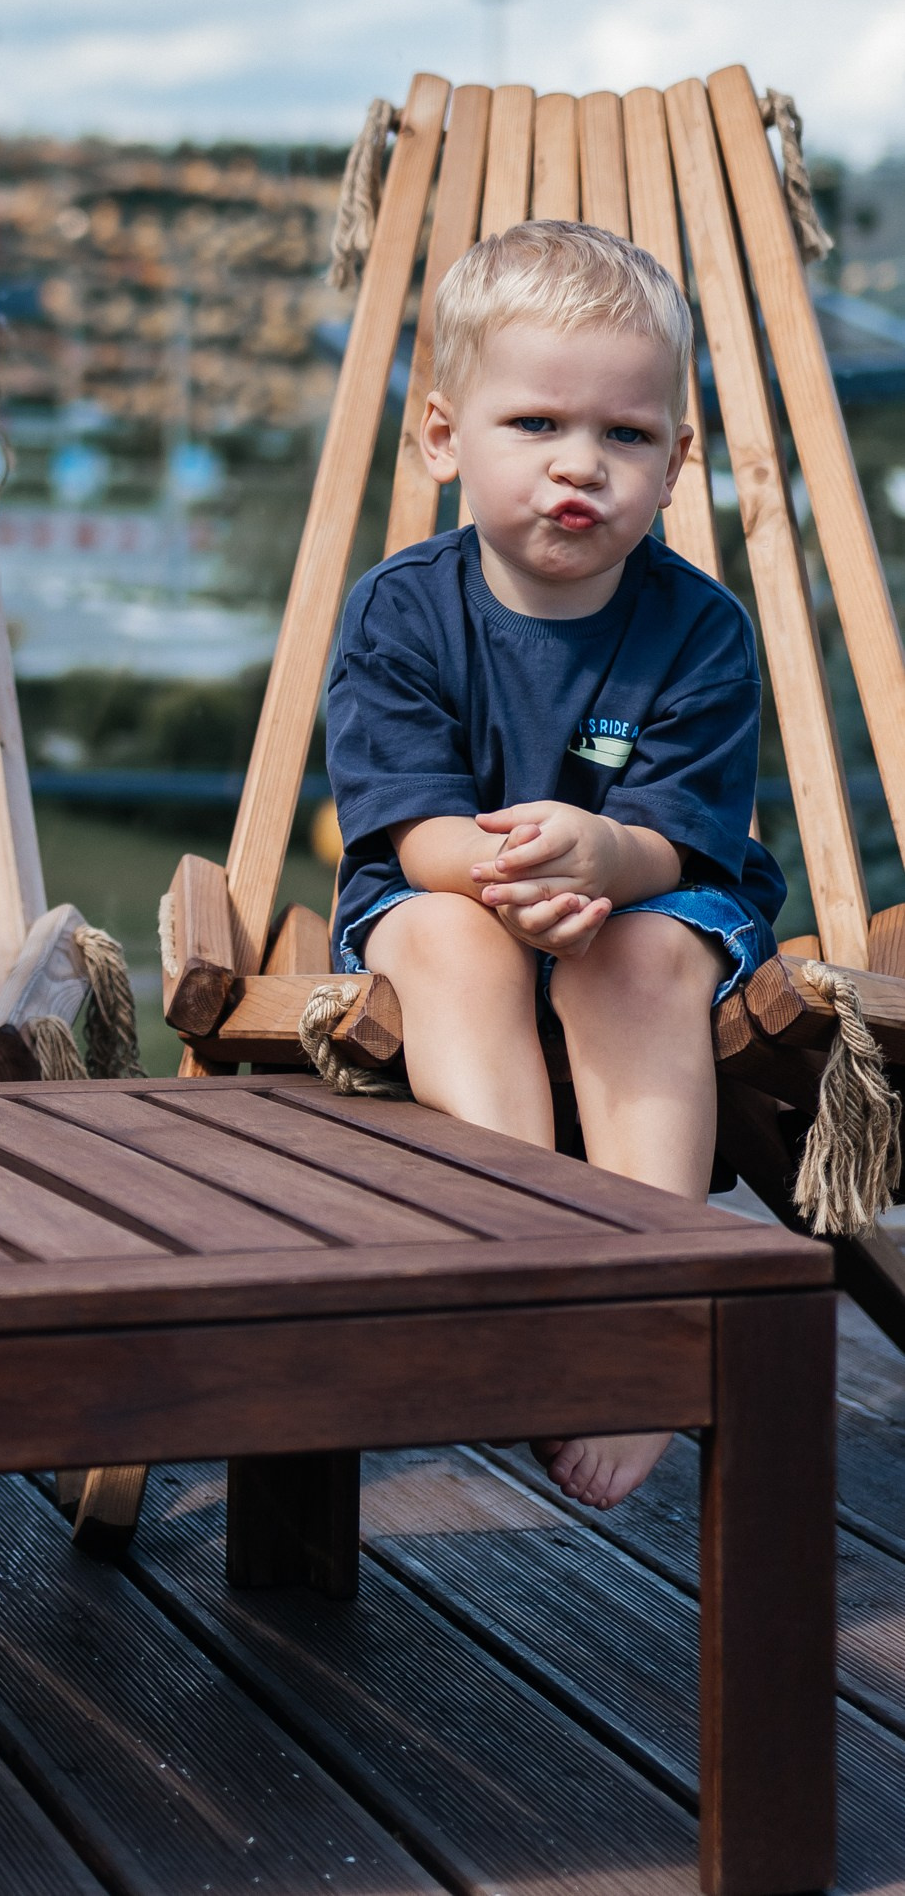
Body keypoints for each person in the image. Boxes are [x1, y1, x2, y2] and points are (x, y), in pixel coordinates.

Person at [325, 219, 784, 1511]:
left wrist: (607, 855)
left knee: (641, 952)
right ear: (441, 439)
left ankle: (637, 1323)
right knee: (447, 935)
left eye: (627, 437)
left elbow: (688, 837)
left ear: (677, 462)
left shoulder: (699, 630)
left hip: (642, 895)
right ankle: (518, 1274)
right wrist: (517, 870)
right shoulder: (401, 613)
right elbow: (413, 832)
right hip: (452, 892)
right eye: (534, 425)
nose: (580, 464)